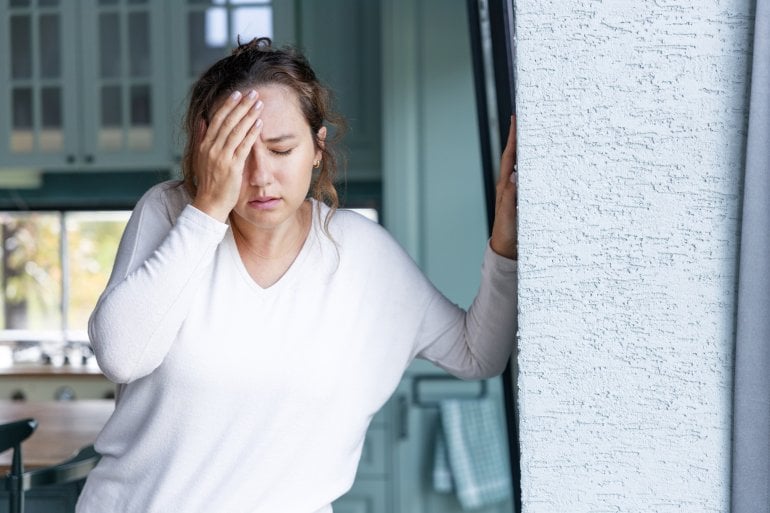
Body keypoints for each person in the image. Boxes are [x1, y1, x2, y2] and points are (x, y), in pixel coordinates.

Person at [76, 37, 518, 513]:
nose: (261, 176)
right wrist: (206, 210)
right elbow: (119, 356)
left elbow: (479, 354)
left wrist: (506, 246)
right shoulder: (171, 212)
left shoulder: (361, 253)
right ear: (207, 150)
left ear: (316, 148)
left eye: (281, 150)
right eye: (238, 153)